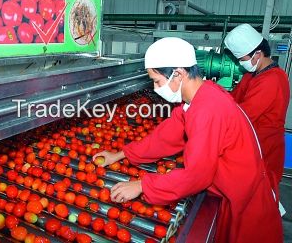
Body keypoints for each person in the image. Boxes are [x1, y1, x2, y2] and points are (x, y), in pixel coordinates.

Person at [93, 37, 283, 243]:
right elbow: (165, 137)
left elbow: (197, 175)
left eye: (157, 81)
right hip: (235, 193)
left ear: (179, 73)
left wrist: (143, 186)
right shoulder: (198, 98)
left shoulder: (207, 109)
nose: (157, 89)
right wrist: (120, 154)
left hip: (248, 207)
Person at [224, 24, 290, 200]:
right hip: (250, 143)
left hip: (264, 147)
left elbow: (244, 115)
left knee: (259, 198)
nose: (240, 63)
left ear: (258, 54)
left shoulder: (273, 80)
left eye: (242, 59)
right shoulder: (251, 76)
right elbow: (231, 100)